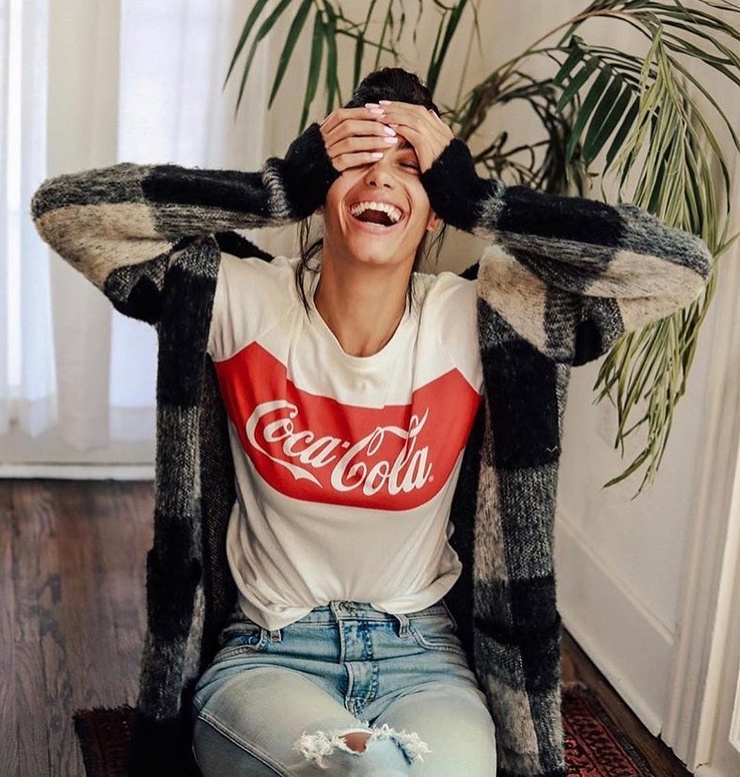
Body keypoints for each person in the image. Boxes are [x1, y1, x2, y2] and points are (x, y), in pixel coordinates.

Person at [32, 67, 711, 777]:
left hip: (425, 661)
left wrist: (476, 197)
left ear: (436, 210)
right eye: (356, 157)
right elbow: (66, 213)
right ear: (322, 190)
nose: (380, 177)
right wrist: (277, 185)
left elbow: (677, 268)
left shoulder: (482, 320)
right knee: (371, 770)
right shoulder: (238, 299)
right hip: (269, 653)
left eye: (411, 166)